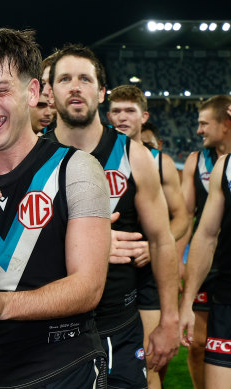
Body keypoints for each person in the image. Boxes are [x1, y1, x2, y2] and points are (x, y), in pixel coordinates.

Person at [0, 28, 111, 388]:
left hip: (69, 366)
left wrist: (3, 306)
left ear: (31, 92)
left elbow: (89, 287)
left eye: (0, 90)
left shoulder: (76, 169)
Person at [45, 43, 180, 388]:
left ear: (101, 92)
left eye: (85, 79)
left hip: (119, 322)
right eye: (64, 79)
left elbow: (162, 240)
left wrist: (169, 319)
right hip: (51, 326)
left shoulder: (135, 157)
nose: (75, 86)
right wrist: (93, 246)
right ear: (50, 91)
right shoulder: (30, 156)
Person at [106, 84, 188, 388]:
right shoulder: (98, 156)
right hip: (112, 273)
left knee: (150, 362)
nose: (122, 117)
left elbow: (181, 217)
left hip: (151, 275)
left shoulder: (160, 162)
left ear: (144, 116)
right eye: (116, 111)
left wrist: (155, 248)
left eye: (130, 111)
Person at [179, 95, 231, 389]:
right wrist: (180, 267)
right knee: (198, 344)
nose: (199, 130)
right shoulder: (208, 165)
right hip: (217, 276)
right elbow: (197, 226)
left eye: (204, 123)